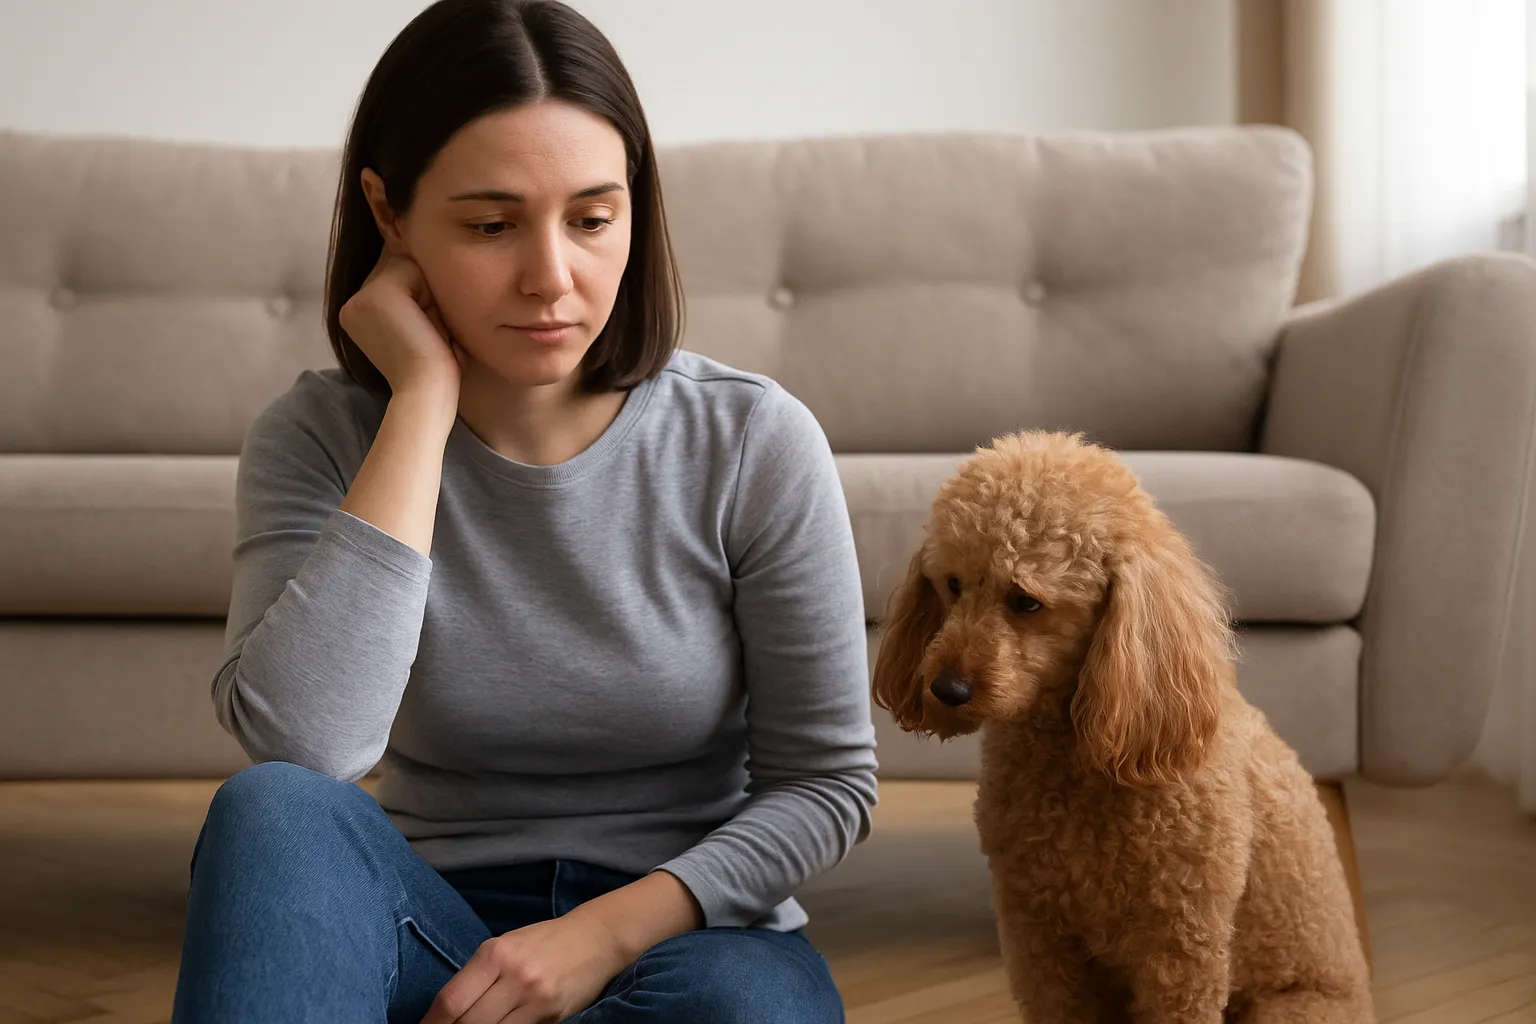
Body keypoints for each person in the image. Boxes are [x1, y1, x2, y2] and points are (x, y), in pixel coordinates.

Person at [168, 2, 877, 1021]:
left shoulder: (752, 440)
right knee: (271, 809)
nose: (553, 279)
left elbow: (828, 786)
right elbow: (309, 744)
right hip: (431, 929)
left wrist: (595, 938)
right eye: (492, 225)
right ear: (390, 213)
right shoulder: (317, 434)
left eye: (593, 218)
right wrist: (419, 401)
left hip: (691, 939)